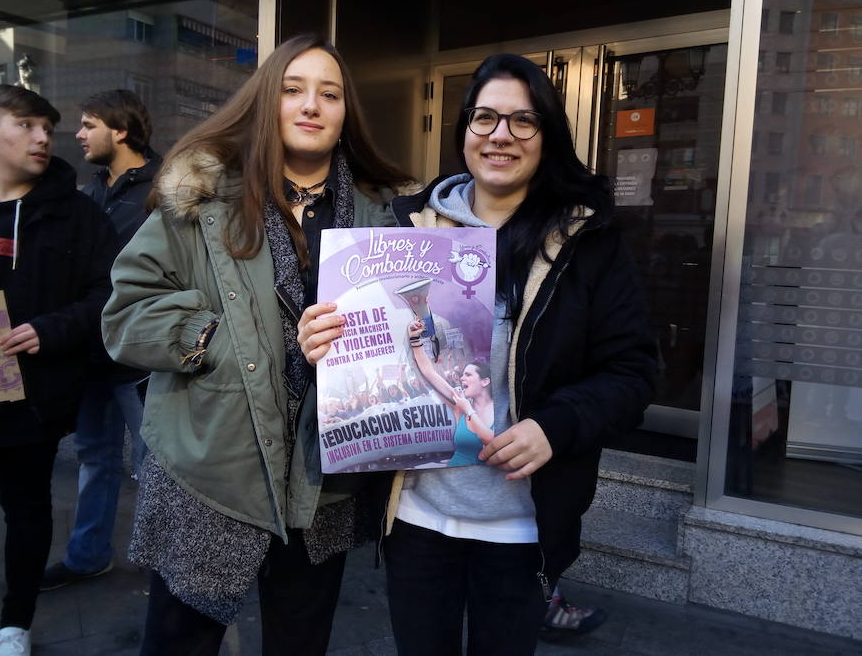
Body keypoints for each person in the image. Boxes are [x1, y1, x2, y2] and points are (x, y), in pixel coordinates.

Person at [301, 53, 656, 655]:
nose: (500, 135)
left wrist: (555, 426)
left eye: (522, 121)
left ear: (547, 136)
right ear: (464, 129)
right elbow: (372, 350)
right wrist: (324, 344)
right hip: (416, 517)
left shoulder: (588, 241)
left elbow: (634, 373)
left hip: (520, 526)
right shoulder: (404, 229)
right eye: (485, 118)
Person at [101, 34, 411, 655]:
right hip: (211, 468)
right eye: (293, 89)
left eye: (329, 93)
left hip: (325, 477)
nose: (311, 105)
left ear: (347, 112)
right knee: (178, 641)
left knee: (301, 640)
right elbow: (126, 316)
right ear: (266, 101)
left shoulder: (385, 219)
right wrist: (218, 336)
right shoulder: (202, 200)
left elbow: (415, 332)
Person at [0, 85, 117, 656]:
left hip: (33, 394)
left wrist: (53, 329)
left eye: (46, 129)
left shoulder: (75, 211)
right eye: (26, 125)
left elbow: (111, 291)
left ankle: (14, 625)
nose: (41, 138)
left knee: (25, 511)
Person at [42, 89, 159, 592]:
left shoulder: (166, 189)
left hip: (144, 360)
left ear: (121, 130)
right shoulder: (88, 195)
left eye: (89, 124)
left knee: (159, 462)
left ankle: (167, 559)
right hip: (91, 355)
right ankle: (88, 555)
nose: (78, 135)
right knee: (96, 458)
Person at [406, 322, 494, 467]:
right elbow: (429, 373)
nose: (461, 378)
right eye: (462, 374)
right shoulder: (460, 404)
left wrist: (469, 410)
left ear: (485, 382)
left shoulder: (498, 407)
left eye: (468, 375)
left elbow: (492, 441)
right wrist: (415, 340)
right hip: (453, 476)